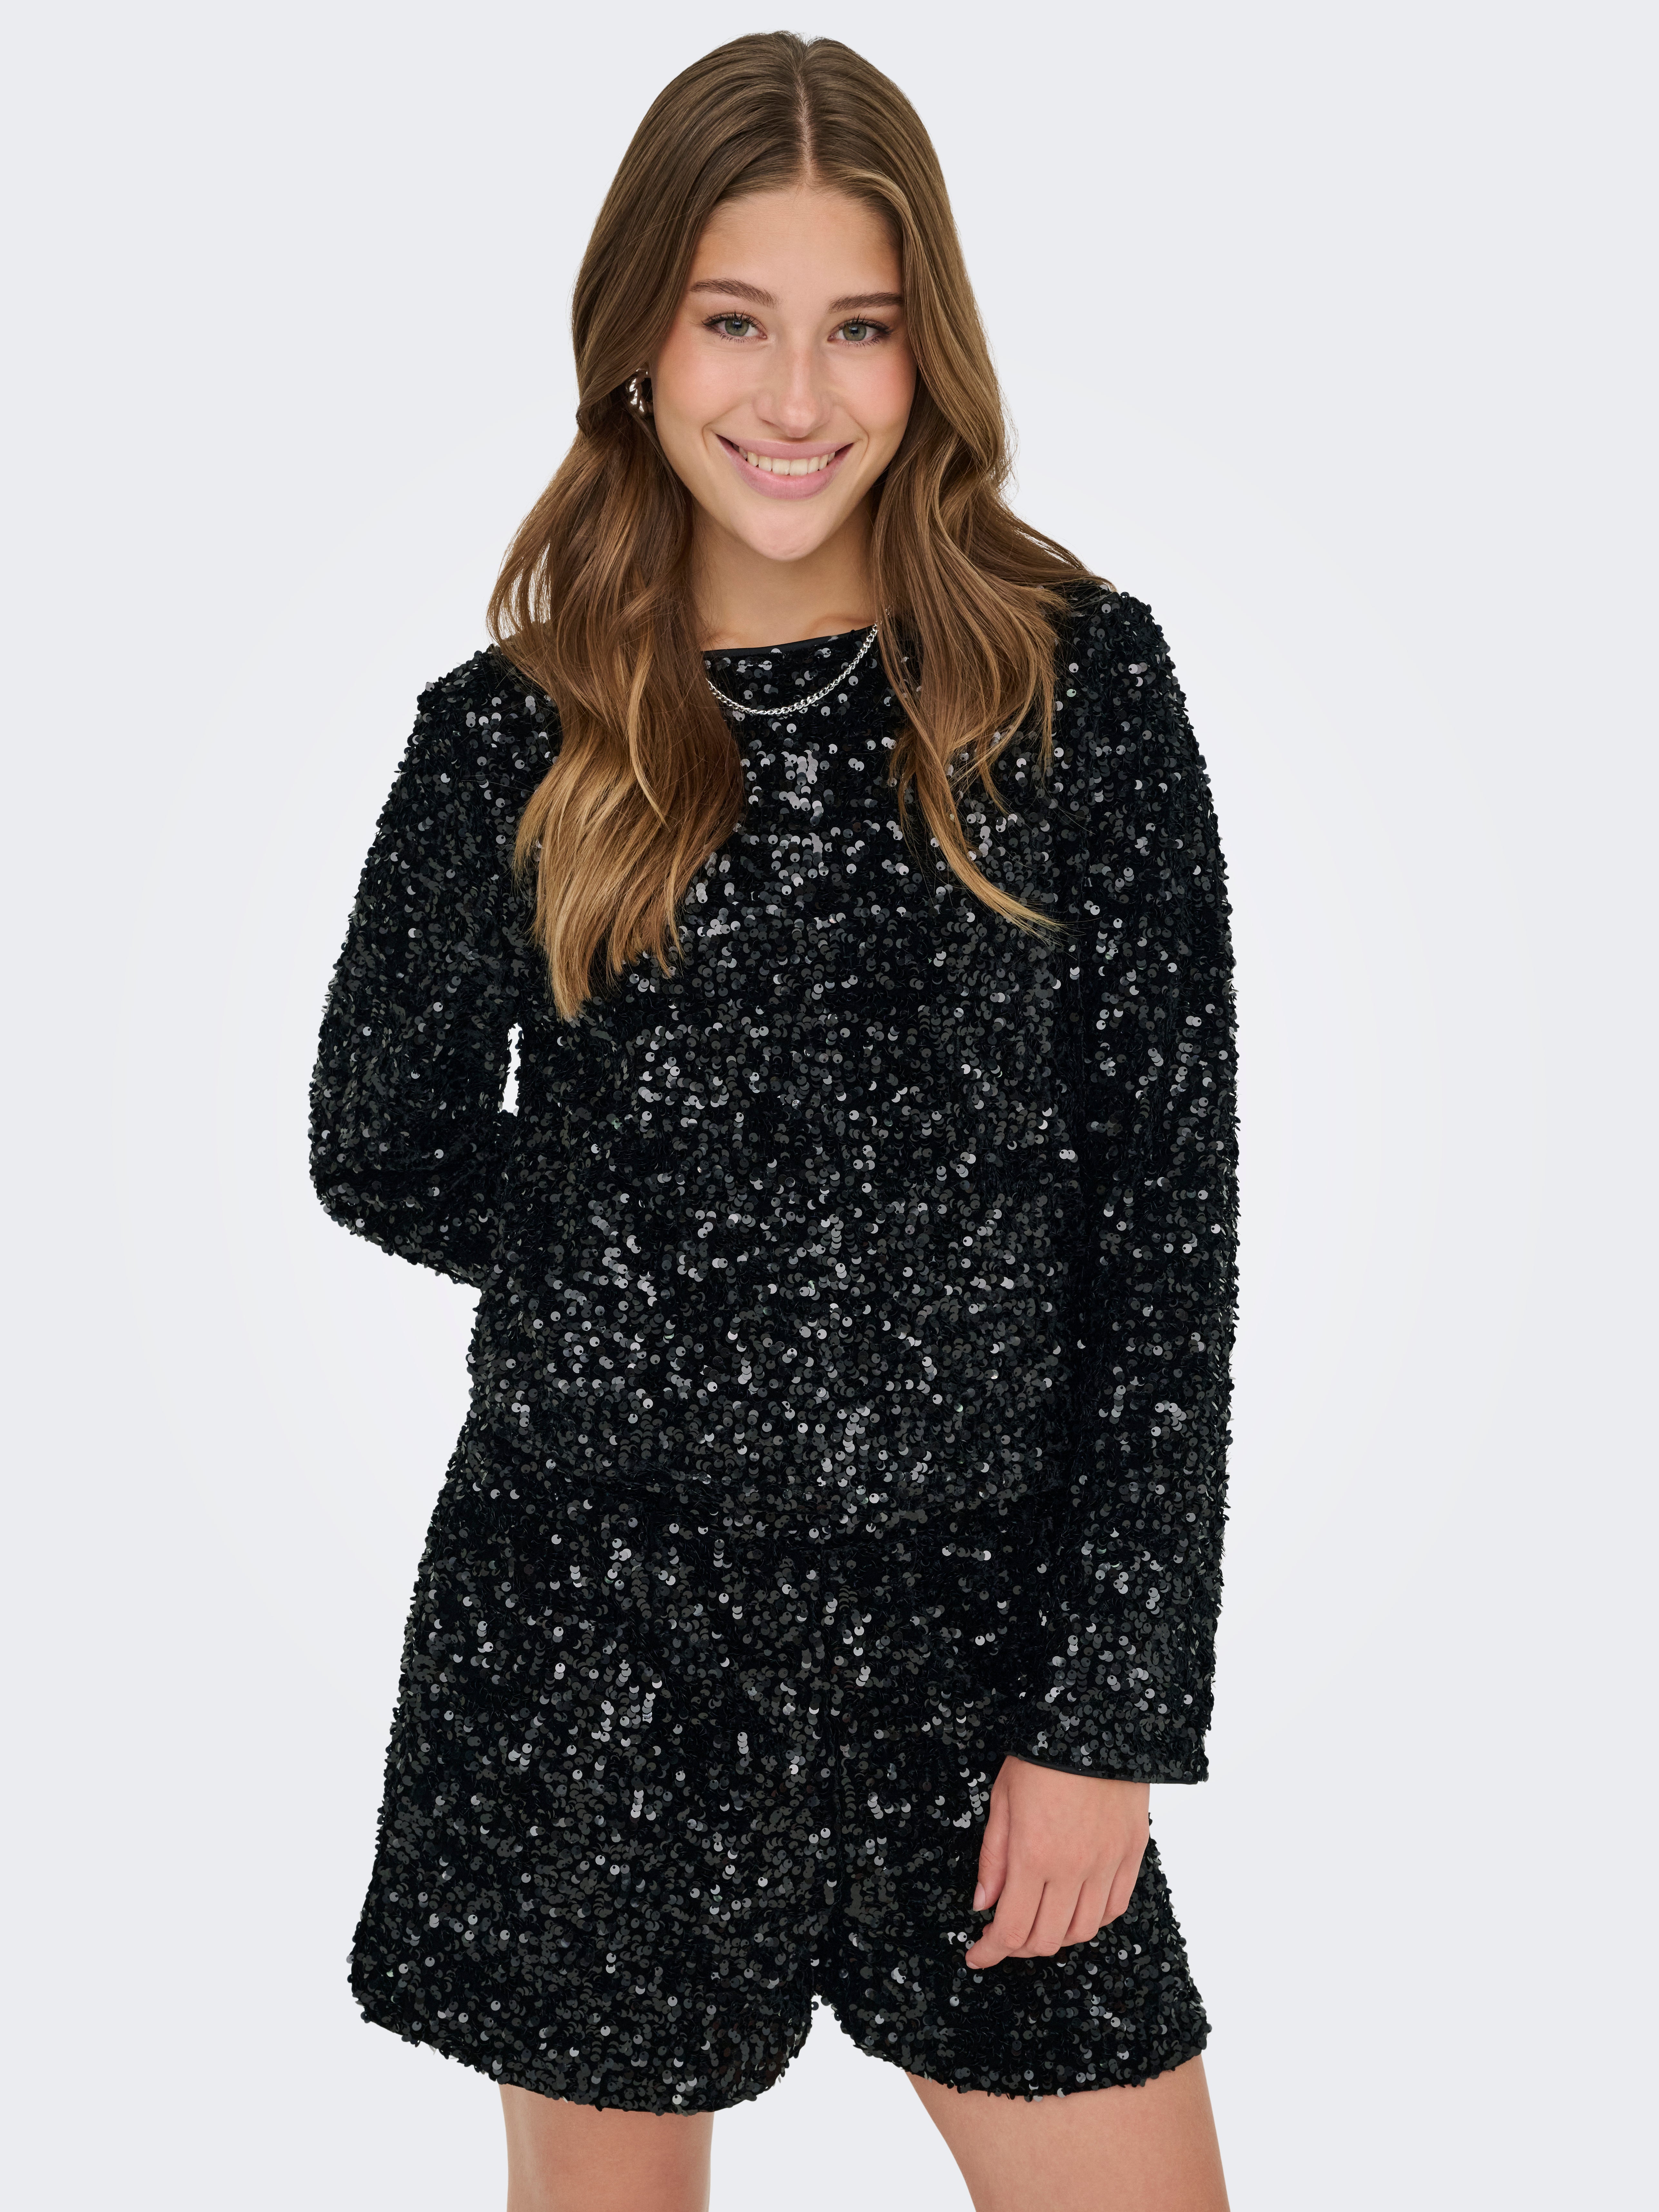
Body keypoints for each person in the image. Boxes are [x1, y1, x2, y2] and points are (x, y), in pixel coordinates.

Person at [309, 31, 1238, 2212]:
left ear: (933, 353)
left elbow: (1169, 1234)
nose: (797, 397)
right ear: (642, 338)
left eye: (860, 328)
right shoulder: (511, 739)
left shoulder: (1074, 695)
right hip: (594, 1641)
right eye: (737, 321)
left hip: (978, 1645)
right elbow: (381, 1136)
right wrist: (700, 1262)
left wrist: (1106, 1719)